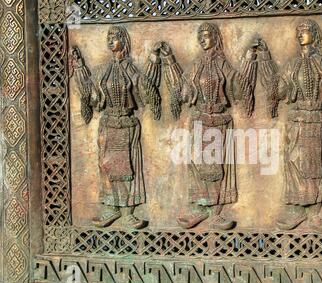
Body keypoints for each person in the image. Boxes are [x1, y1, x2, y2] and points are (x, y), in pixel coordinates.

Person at [257, 19, 322, 231]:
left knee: (317, 169)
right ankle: (297, 212)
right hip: (297, 122)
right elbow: (278, 87)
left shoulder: (321, 62)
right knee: (296, 165)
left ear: (314, 34)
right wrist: (265, 58)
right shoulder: (293, 64)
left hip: (317, 120)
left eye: (305, 31)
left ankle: (314, 215)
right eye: (298, 31)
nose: (300, 34)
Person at [158, 22, 258, 230]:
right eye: (200, 36)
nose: (202, 39)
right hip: (200, 121)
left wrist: (249, 59)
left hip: (219, 121)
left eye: (206, 35)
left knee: (216, 167)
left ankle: (215, 213)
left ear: (215, 37)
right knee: (199, 165)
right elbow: (182, 88)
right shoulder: (196, 64)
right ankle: (201, 207)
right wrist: (169, 60)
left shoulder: (222, 63)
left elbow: (238, 87)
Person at [70, 25, 170, 229]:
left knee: (128, 169)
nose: (110, 40)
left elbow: (147, 88)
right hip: (108, 125)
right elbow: (87, 90)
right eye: (108, 37)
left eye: (115, 37)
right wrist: (79, 65)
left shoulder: (130, 69)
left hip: (126, 124)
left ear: (124, 41)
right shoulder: (103, 70)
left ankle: (128, 212)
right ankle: (111, 208)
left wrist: (154, 58)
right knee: (107, 168)